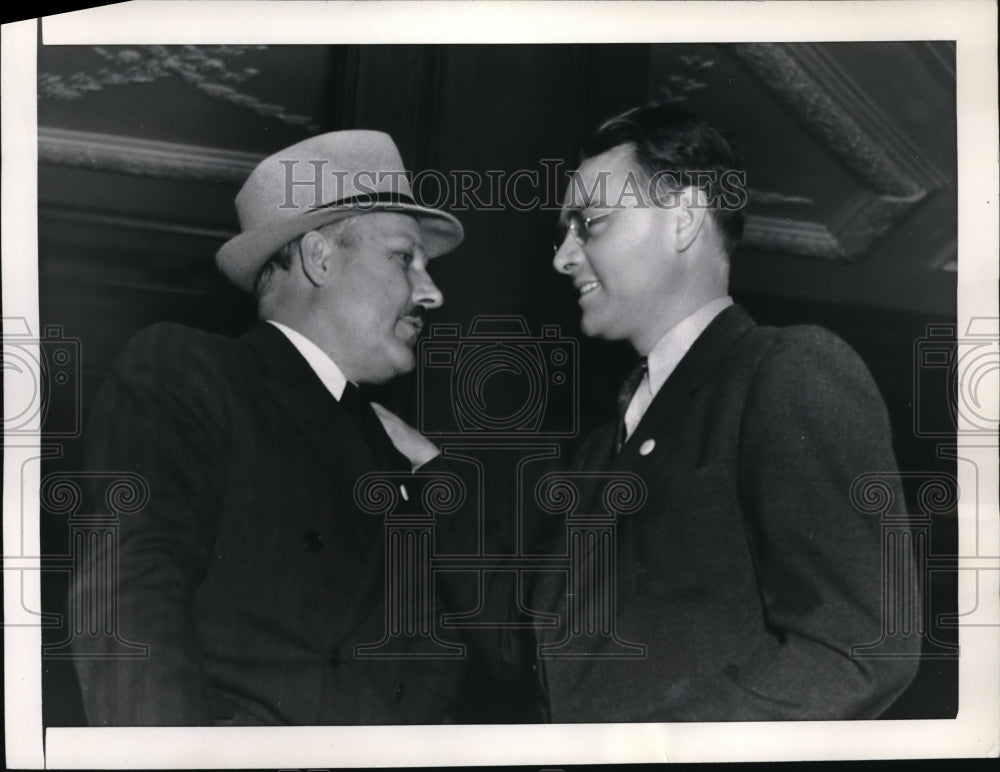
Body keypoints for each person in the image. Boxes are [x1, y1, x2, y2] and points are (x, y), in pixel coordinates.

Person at [534, 103, 920, 721]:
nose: (563, 256)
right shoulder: (600, 446)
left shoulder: (785, 372)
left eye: (591, 222)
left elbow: (859, 649)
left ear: (684, 218)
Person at [71, 130, 468, 725]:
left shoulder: (399, 453)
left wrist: (439, 475)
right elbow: (129, 602)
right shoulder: (191, 371)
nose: (431, 292)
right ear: (319, 256)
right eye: (403, 257)